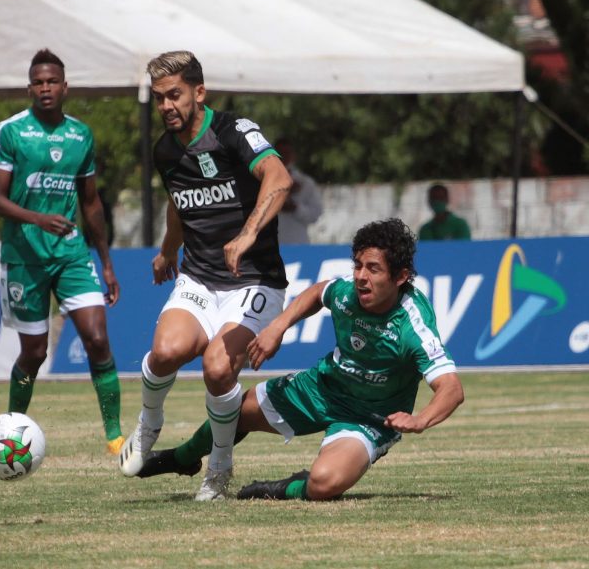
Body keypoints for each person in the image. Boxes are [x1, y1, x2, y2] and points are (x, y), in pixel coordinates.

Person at [134, 218, 465, 502]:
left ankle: (281, 488)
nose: (361, 276)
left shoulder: (413, 326)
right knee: (234, 413)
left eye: (373, 269)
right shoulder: (349, 291)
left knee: (324, 485)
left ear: (400, 276)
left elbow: (451, 388)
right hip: (322, 388)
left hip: (370, 418)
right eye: (358, 265)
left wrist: (420, 420)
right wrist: (278, 327)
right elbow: (319, 292)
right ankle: (183, 458)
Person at [118, 50, 294, 501]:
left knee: (217, 368)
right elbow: (181, 206)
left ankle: (218, 467)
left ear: (199, 92)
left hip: (255, 281)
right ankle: (148, 423)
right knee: (166, 351)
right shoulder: (165, 150)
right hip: (199, 278)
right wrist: (165, 252)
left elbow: (278, 178)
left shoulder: (234, 132)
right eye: (158, 99)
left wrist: (246, 236)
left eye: (174, 95)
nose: (166, 107)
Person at [0, 49, 124, 455]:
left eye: (52, 81)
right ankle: (12, 428)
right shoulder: (10, 132)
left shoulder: (81, 135)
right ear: (29, 87)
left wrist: (107, 262)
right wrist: (36, 218)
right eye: (38, 82)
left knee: (98, 339)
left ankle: (115, 436)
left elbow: (92, 203)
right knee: (35, 353)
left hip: (71, 254)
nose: (45, 88)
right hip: (25, 257)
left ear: (65, 86)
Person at [274, 138, 323, 244]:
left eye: (286, 153)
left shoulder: (305, 183)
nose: (283, 157)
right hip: (272, 245)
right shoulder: (262, 182)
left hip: (298, 243)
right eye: (279, 153)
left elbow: (315, 214)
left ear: (293, 156)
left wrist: (296, 208)